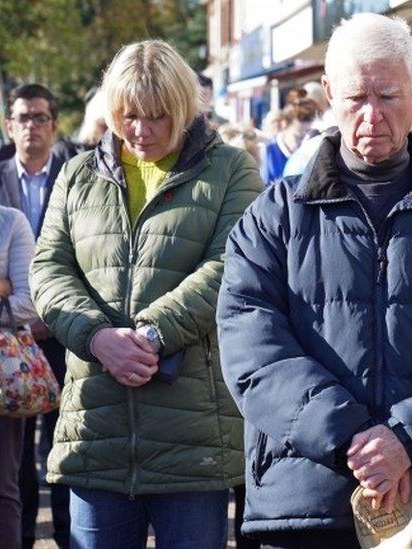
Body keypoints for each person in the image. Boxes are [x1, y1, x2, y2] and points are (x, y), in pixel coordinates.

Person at [216, 14, 412, 548]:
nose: (372, 116)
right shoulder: (274, 217)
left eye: (388, 95)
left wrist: (407, 438)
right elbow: (252, 349)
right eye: (356, 98)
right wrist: (354, 440)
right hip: (304, 502)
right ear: (330, 94)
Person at [28, 39, 262, 548]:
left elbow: (230, 267)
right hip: (97, 431)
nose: (141, 130)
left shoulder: (231, 170)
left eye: (157, 116)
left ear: (182, 107)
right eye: (129, 115)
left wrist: (150, 335)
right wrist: (96, 338)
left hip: (192, 437)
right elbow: (48, 270)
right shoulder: (77, 175)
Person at [0, 82, 72, 549]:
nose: (31, 127)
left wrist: (10, 285)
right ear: (9, 125)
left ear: (54, 125)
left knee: (62, 446)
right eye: (22, 118)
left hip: (64, 330)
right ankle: (20, 538)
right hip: (10, 342)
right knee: (12, 461)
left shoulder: (74, 174)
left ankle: (65, 536)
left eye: (40, 117)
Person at [0, 205, 39, 549]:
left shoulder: (9, 223)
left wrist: (9, 290)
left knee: (0, 490)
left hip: (0, 379)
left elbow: (27, 303)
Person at [260, 99, 318, 185]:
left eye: (304, 137)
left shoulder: (307, 152)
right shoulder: (266, 151)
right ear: (284, 125)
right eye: (297, 137)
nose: (302, 143)